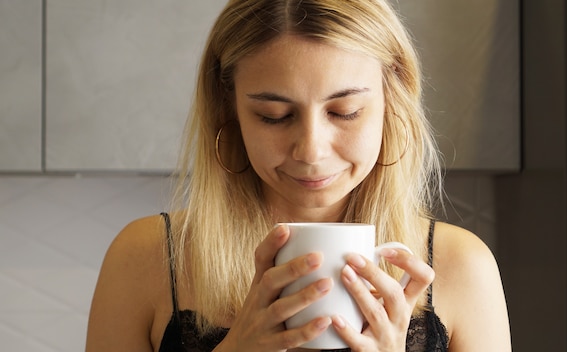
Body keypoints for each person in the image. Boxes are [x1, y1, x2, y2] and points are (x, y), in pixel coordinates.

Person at [86, 0, 511, 351]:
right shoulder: (145, 260)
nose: (310, 151)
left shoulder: (460, 267)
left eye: (345, 112)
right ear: (228, 112)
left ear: (392, 101)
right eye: (274, 116)